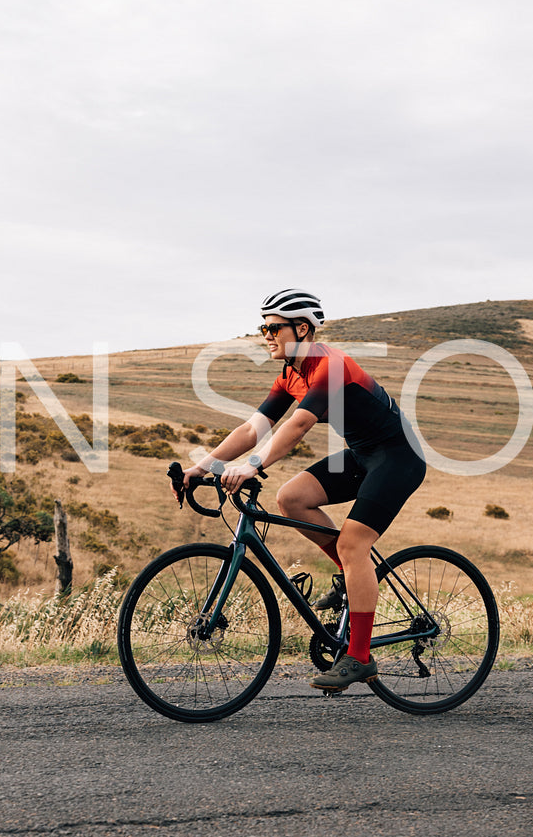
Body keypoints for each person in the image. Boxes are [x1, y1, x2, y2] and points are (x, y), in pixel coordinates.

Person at [178, 288, 428, 691]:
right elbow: (251, 429)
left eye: (273, 327)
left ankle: (359, 657)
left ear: (302, 328)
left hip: (398, 458)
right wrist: (199, 467)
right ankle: (350, 577)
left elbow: (298, 425)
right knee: (291, 498)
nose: (266, 335)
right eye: (263, 327)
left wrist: (253, 465)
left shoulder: (329, 364)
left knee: (353, 545)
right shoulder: (291, 374)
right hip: (363, 454)